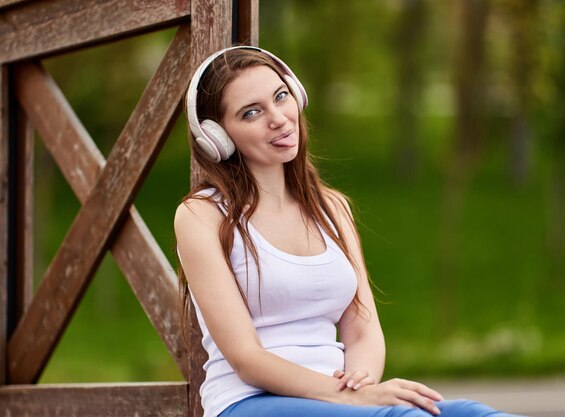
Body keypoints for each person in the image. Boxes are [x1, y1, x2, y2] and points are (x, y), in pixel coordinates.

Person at [174, 46, 525, 417]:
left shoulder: (332, 208)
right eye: (252, 112)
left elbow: (362, 330)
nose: (278, 118)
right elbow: (246, 358)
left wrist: (362, 386)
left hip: (336, 399)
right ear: (217, 136)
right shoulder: (202, 216)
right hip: (249, 402)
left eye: (281, 97)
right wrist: (349, 399)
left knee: (472, 413)